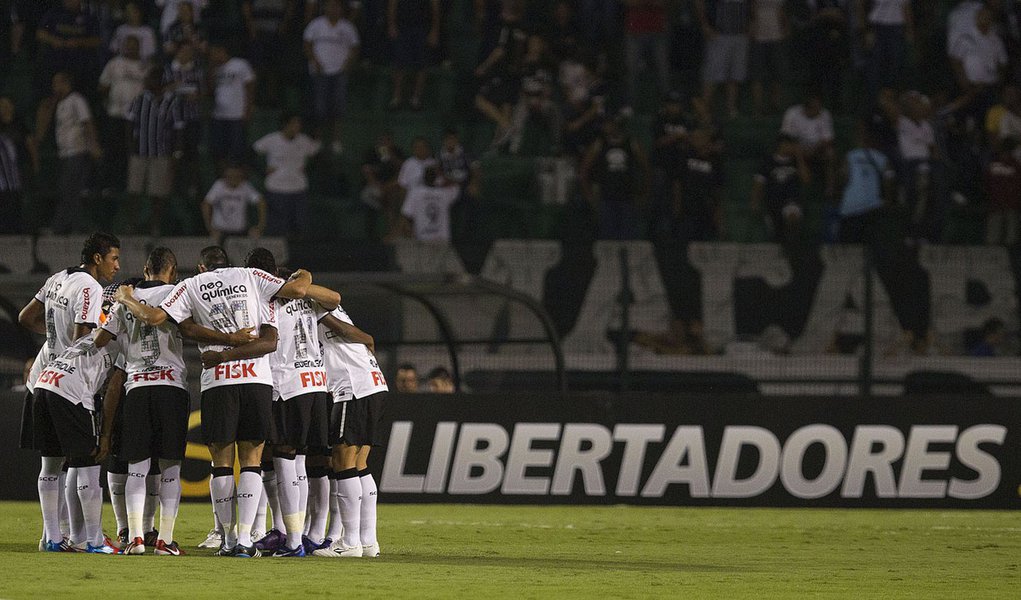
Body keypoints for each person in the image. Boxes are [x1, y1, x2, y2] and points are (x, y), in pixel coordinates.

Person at [114, 245, 312, 558]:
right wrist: (305, 273)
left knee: (221, 464)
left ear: (201, 267)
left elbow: (171, 322)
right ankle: (245, 540)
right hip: (256, 380)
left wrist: (223, 351)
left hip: (218, 381)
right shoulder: (252, 277)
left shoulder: (191, 285)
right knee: (252, 460)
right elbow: (277, 329)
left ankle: (228, 540)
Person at [94, 248, 210, 556]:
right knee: (169, 469)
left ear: (146, 269)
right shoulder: (177, 292)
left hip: (137, 386)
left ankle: (134, 538)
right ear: (173, 271)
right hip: (171, 386)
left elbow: (101, 339)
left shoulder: (125, 297)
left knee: (137, 468)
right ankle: (164, 541)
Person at [18, 232, 120, 552]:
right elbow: (82, 337)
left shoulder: (57, 278)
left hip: (43, 376)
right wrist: (99, 336)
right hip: (71, 382)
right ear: (98, 258)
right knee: (83, 460)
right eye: (114, 258)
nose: (117, 265)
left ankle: (52, 537)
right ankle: (89, 539)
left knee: (51, 464)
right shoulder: (90, 287)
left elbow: (25, 317)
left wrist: (54, 336)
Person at [244, 248, 340, 557]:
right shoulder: (306, 297)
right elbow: (335, 298)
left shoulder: (264, 297)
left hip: (287, 384)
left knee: (284, 459)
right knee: (303, 461)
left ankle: (294, 540)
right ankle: (301, 533)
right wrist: (305, 278)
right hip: (316, 384)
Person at [313, 301, 388, 558]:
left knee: (342, 461)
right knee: (359, 464)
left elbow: (344, 329)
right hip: (373, 385)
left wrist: (367, 337)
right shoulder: (332, 309)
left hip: (353, 388)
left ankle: (350, 542)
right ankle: (368, 541)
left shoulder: (317, 307)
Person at [35, 71, 103, 234]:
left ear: (66, 83)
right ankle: (74, 226)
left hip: (77, 152)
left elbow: (87, 123)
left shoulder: (76, 100)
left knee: (69, 189)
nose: (54, 87)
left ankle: (60, 226)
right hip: (64, 153)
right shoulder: (58, 104)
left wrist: (93, 145)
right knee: (69, 190)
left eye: (57, 83)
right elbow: (42, 129)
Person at [125, 68, 185, 236]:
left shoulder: (172, 102)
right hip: (140, 152)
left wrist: (177, 152)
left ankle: (155, 226)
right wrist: (130, 147)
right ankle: (131, 224)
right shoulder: (139, 100)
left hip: (161, 153)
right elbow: (129, 124)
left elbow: (179, 129)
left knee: (158, 193)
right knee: (134, 191)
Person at [303, 0, 360, 154]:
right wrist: (315, 61)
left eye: (336, 6)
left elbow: (355, 47)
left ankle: (336, 140)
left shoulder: (348, 27)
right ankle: (317, 140)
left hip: (339, 72)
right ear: (325, 8)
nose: (333, 9)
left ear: (341, 9)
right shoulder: (316, 24)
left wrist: (347, 65)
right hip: (320, 72)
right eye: (330, 6)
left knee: (338, 108)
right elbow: (307, 44)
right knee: (319, 108)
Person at [580, 116, 650, 240]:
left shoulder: (631, 143)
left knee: (627, 238)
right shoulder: (599, 144)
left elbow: (646, 169)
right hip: (606, 198)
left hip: (627, 198)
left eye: (608, 124)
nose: (605, 127)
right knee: (607, 239)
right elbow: (584, 170)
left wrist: (644, 194)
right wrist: (589, 195)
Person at [253, 113, 321, 237]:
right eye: (294, 123)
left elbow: (317, 154)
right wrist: (262, 171)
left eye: (299, 124)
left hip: (298, 188)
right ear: (286, 124)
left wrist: (309, 169)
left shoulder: (304, 140)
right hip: (276, 188)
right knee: (277, 227)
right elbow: (251, 153)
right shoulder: (272, 139)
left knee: (299, 226)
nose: (298, 126)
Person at [98, 35, 148, 196]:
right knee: (112, 151)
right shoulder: (114, 64)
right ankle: (107, 185)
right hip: (116, 114)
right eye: (128, 45)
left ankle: (129, 186)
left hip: (136, 117)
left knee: (131, 152)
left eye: (134, 45)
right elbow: (103, 86)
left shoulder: (145, 66)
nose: (131, 48)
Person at [837, 124, 895, 244]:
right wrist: (888, 199)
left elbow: (843, 177)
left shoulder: (850, 156)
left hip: (851, 208)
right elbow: (889, 177)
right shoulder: (880, 157)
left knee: (849, 246)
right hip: (871, 208)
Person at [163, 41, 205, 202]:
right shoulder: (167, 71)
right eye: (183, 51)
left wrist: (196, 96)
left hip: (191, 118)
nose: (186, 54)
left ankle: (193, 187)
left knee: (192, 154)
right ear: (177, 52)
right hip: (171, 119)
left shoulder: (197, 72)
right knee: (171, 153)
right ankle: (168, 187)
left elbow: (203, 93)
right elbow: (159, 90)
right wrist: (173, 88)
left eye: (190, 51)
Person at [695, 0, 751, 118]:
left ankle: (731, 108)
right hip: (719, 34)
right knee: (711, 75)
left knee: (735, 74)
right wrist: (705, 25)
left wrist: (751, 23)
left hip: (740, 35)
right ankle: (703, 110)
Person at [751, 134, 810, 245]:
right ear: (782, 145)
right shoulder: (768, 161)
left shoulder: (795, 162)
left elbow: (806, 180)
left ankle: (792, 242)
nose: (793, 147)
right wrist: (755, 202)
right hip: (773, 201)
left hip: (792, 200)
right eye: (790, 144)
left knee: (792, 216)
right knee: (776, 232)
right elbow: (759, 183)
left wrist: (799, 157)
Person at [387, 0, 441, 110]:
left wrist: (434, 30)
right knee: (399, 62)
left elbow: (435, 7)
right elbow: (392, 4)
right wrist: (391, 24)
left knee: (422, 63)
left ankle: (416, 98)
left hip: (422, 27)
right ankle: (396, 97)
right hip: (402, 26)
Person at [209, 42, 255, 166]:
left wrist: (248, 109)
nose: (212, 56)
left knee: (237, 151)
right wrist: (211, 70)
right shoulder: (215, 68)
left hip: (237, 115)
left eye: (214, 53)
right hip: (219, 115)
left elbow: (250, 86)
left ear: (221, 51)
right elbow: (211, 89)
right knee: (219, 151)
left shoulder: (240, 64)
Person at [203, 164, 267, 244]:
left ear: (241, 176)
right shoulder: (219, 185)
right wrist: (210, 228)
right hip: (220, 230)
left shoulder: (245, 186)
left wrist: (260, 226)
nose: (233, 179)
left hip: (241, 231)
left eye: (236, 176)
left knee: (255, 239)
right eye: (230, 176)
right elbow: (206, 204)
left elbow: (261, 202)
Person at [400, 166, 460, 242]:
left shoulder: (415, 193)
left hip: (425, 237)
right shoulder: (445, 193)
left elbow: (407, 214)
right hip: (439, 238)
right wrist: (443, 176)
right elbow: (456, 186)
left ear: (423, 177)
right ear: (436, 178)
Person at [749, 0, 787, 115]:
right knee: (757, 73)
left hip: (776, 36)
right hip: (759, 37)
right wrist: (752, 27)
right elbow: (752, 10)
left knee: (777, 73)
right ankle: (758, 107)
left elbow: (781, 11)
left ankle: (775, 104)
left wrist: (785, 26)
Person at [985, 139, 1021, 245]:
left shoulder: (993, 165)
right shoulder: (1015, 166)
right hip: (1010, 205)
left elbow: (987, 184)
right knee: (1010, 237)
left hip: (997, 204)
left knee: (994, 237)